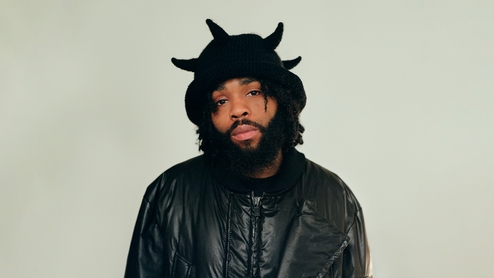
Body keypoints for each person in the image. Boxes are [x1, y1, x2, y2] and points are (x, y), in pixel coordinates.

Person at [124, 19, 373, 278]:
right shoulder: (170, 194)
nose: (237, 110)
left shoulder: (335, 198)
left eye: (253, 92)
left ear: (281, 100)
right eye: (221, 101)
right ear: (208, 117)